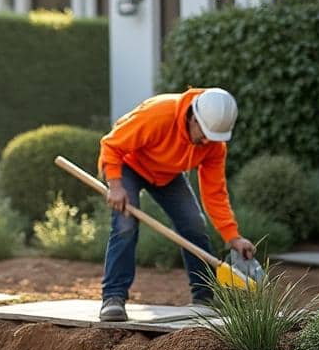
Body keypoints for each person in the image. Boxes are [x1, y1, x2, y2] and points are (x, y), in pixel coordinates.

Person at [97, 87, 256, 321]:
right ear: (193, 117)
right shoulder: (159, 114)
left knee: (194, 224)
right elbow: (111, 144)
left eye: (212, 137)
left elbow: (215, 193)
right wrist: (116, 186)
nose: (206, 141)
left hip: (167, 174)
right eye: (204, 134)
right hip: (128, 165)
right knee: (125, 224)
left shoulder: (213, 144)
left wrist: (233, 237)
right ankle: (113, 297)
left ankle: (204, 297)